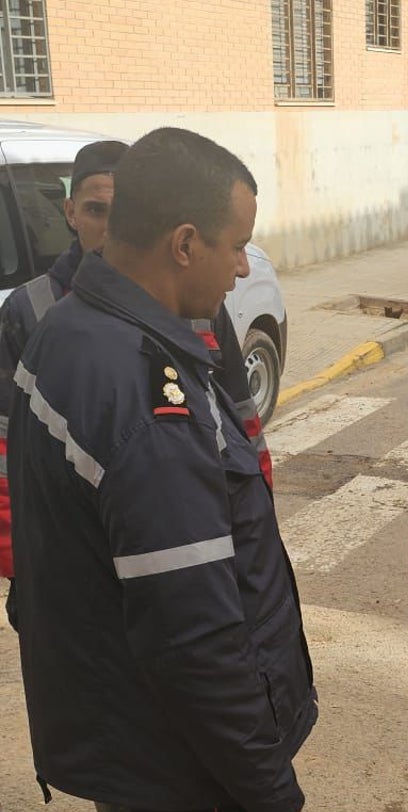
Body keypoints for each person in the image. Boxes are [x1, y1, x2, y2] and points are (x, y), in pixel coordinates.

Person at [7, 127, 314, 812]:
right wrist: (268, 787)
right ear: (183, 244)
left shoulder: (69, 330)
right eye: (236, 244)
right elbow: (194, 632)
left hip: (129, 743)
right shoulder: (147, 400)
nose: (243, 268)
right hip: (184, 771)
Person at [0, 140, 274, 630]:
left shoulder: (196, 303)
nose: (106, 227)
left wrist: (256, 525)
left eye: (116, 210)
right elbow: (11, 450)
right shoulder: (34, 314)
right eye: (93, 210)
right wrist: (26, 563)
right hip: (79, 571)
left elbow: (242, 421)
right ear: (69, 212)